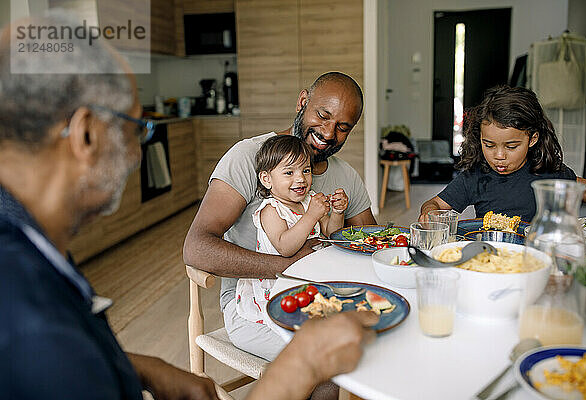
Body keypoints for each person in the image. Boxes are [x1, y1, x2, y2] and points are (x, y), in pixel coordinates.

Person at [0, 16, 378, 400]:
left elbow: (74, 358)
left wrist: (144, 368)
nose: (136, 152)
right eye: (136, 128)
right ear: (85, 135)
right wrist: (303, 362)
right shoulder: (28, 315)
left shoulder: (29, 249)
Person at [184, 71, 377, 366]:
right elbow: (197, 247)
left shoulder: (345, 175)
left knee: (382, 344)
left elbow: (371, 241)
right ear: (303, 102)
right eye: (323, 116)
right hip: (255, 306)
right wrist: (290, 267)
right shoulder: (250, 157)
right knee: (336, 360)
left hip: (318, 298)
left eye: (342, 127)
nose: (328, 133)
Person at [419, 85, 586, 222]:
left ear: (533, 139)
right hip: (493, 257)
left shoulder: (551, 174)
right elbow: (435, 204)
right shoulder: (475, 177)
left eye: (511, 146)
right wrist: (428, 213)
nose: (499, 155)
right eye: (489, 145)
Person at [236, 135, 348, 324]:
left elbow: (331, 233)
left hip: (308, 274)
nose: (301, 179)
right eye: (289, 173)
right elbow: (285, 247)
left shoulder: (308, 201)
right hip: (279, 283)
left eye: (306, 170)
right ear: (266, 179)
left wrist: (337, 212)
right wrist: (311, 215)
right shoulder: (271, 210)